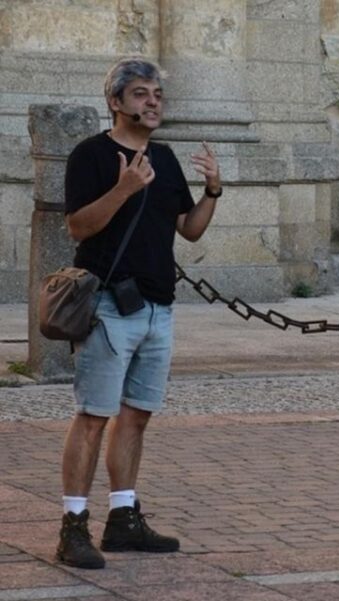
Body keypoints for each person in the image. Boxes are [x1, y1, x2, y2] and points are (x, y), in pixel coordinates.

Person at [56, 58, 222, 569]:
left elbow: (189, 230)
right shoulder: (91, 155)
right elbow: (79, 228)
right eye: (141, 94)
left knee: (137, 416)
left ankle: (123, 519)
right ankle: (73, 527)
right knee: (93, 417)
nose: (153, 102)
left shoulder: (167, 159)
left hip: (158, 307)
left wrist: (214, 190)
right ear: (116, 102)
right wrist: (125, 188)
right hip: (108, 307)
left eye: (157, 95)